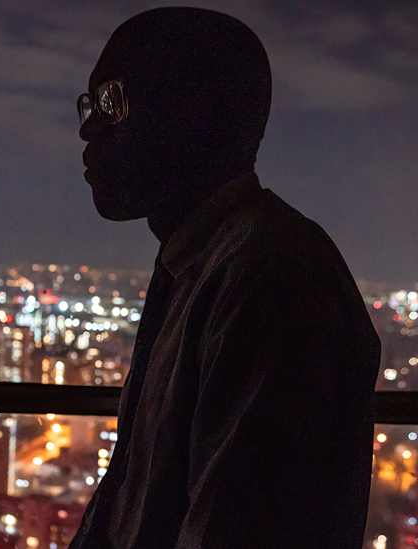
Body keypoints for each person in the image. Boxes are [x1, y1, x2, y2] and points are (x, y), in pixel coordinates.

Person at [69, 7, 381, 548]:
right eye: (90, 104)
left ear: (194, 111)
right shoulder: (204, 262)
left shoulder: (268, 276)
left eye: (112, 100)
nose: (89, 127)